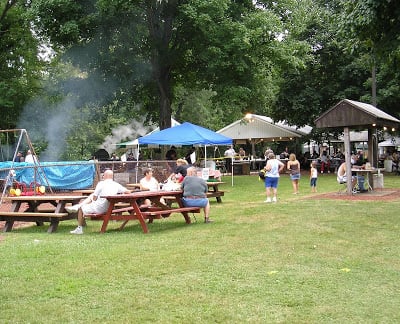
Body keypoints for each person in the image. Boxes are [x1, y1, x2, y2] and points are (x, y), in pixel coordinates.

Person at [67, 169, 131, 234]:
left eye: (103, 175)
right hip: (108, 208)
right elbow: (128, 191)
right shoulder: (116, 185)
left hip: (99, 208)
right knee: (91, 196)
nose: (102, 176)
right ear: (111, 176)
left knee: (82, 208)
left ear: (105, 176)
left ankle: (79, 227)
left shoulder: (101, 184)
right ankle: (77, 206)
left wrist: (92, 200)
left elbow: (94, 198)